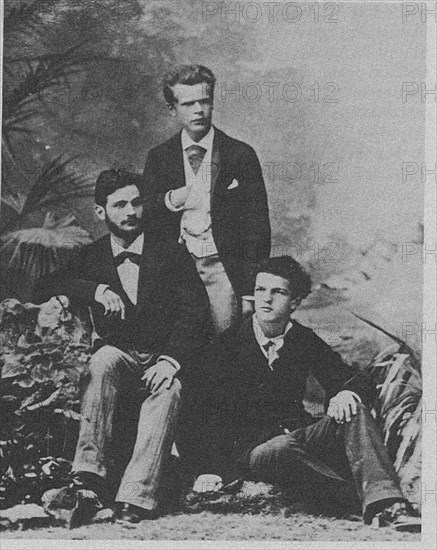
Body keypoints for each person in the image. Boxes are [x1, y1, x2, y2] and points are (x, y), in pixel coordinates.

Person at [191, 256, 421, 532]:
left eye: (278, 292)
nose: (266, 299)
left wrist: (344, 392)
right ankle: (355, 498)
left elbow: (356, 379)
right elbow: (200, 412)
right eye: (261, 289)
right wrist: (208, 469)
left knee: (353, 407)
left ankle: (387, 503)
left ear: (295, 302)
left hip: (298, 436)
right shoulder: (227, 345)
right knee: (282, 448)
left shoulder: (302, 338)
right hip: (253, 451)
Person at [34, 169, 209, 525]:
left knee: (167, 390)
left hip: (163, 357)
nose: (130, 212)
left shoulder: (170, 252)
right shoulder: (93, 256)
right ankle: (87, 477)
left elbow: (196, 312)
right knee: (102, 360)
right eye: (119, 205)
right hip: (122, 356)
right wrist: (95, 291)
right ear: (101, 212)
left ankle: (136, 495)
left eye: (136, 203)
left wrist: (171, 360)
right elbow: (42, 286)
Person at [142, 64, 271, 334]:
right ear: (172, 109)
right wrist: (169, 200)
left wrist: (249, 292)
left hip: (223, 272)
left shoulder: (240, 155)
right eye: (188, 104)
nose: (198, 110)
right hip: (176, 273)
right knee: (183, 345)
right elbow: (148, 216)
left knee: (224, 349)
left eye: (205, 101)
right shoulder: (159, 157)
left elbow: (257, 227)